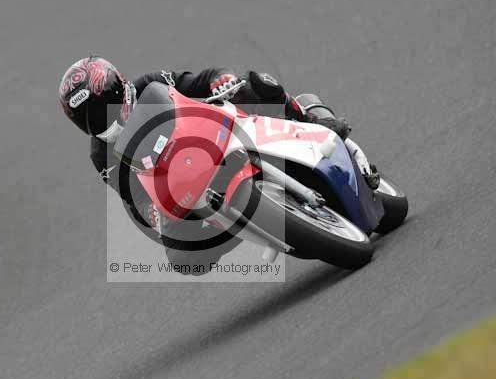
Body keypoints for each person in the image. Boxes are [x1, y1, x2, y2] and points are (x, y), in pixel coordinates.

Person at [58, 56, 379, 274]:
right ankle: (246, 224)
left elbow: (200, 80)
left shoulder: (149, 84)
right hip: (183, 185)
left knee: (257, 84)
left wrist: (222, 82)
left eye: (103, 107)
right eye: (90, 119)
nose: (101, 120)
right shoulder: (101, 155)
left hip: (214, 133)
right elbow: (134, 197)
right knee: (182, 258)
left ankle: (312, 119)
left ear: (119, 86)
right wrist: (155, 215)